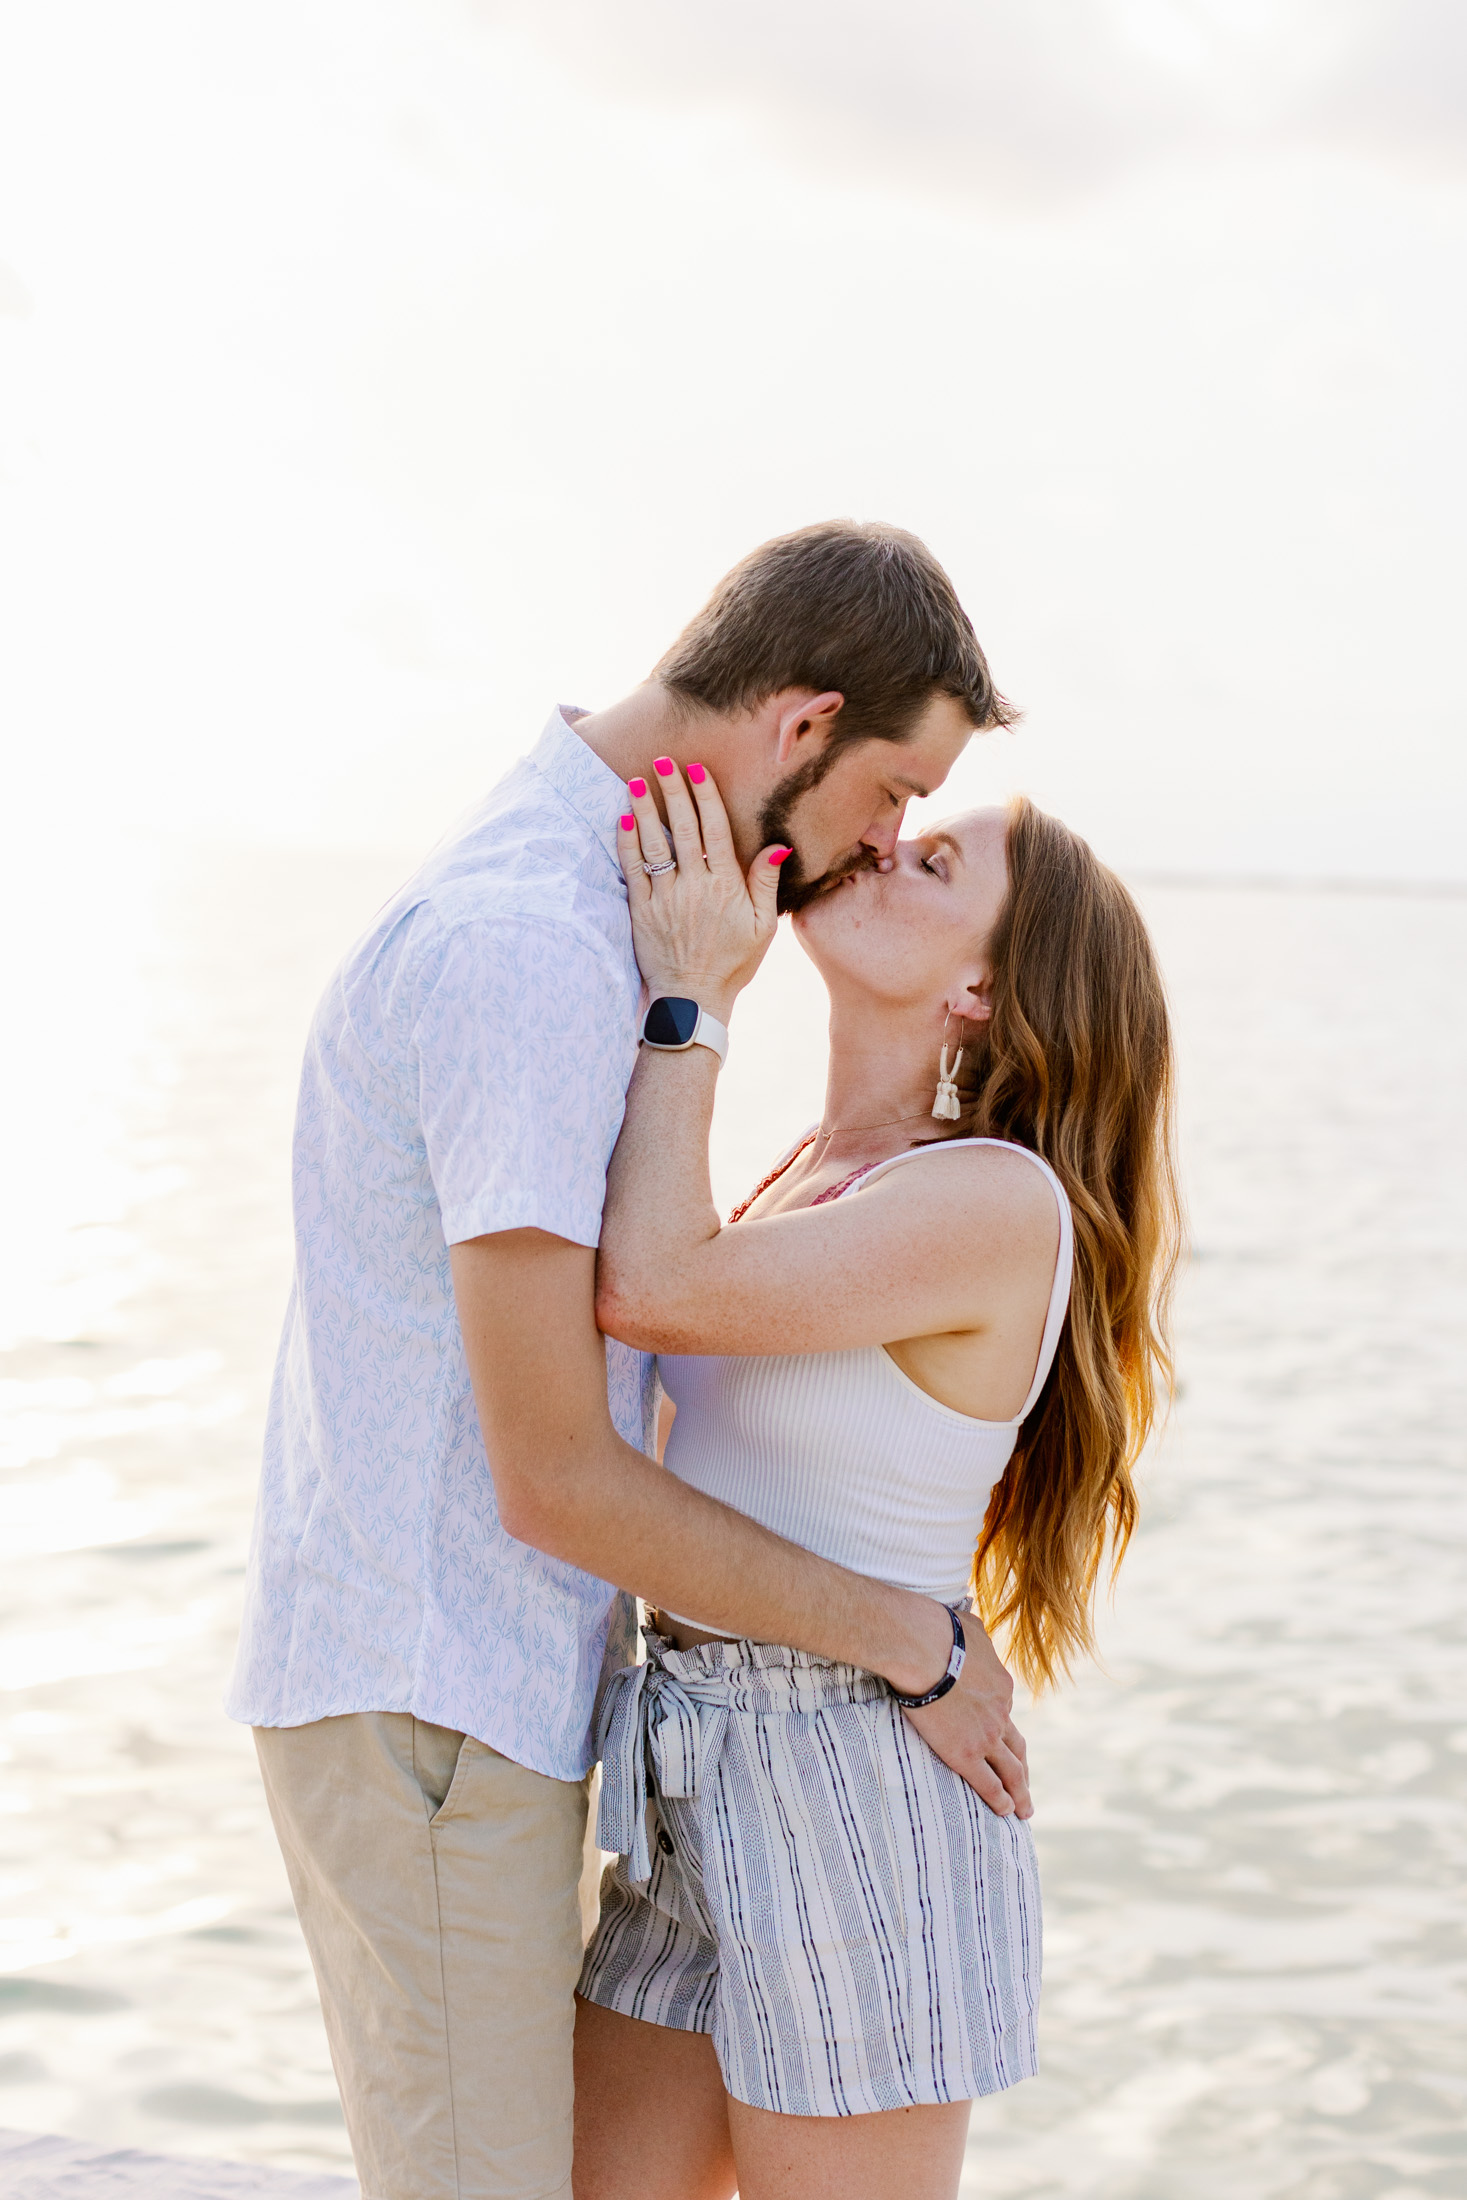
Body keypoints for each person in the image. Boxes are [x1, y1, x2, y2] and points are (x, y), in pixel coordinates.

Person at [225, 521, 1030, 2200]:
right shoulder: (537, 952)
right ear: (802, 728)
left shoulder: (594, 921)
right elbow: (560, 1467)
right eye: (892, 793)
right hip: (441, 1699)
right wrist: (912, 1643)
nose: (885, 842)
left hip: (489, 1704)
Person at [573, 763, 1181, 2200]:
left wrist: (692, 998)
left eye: (938, 866)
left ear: (978, 992)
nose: (890, 846)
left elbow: (650, 1286)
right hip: (689, 1753)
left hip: (856, 1770)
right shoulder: (809, 1169)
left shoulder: (992, 1200)